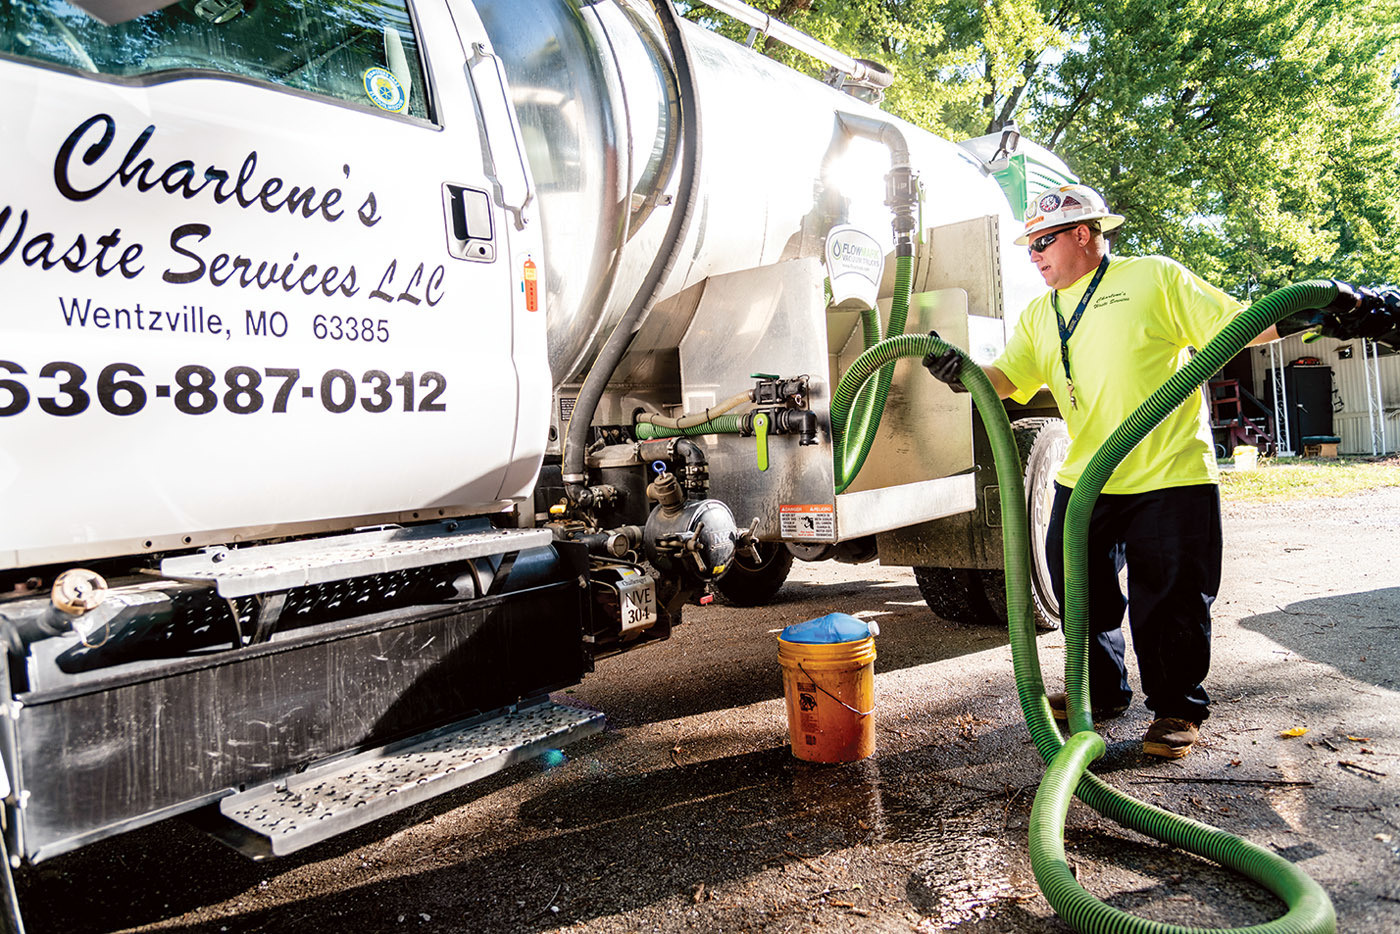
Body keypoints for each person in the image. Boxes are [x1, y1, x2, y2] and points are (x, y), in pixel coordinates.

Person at [928, 183, 1291, 760]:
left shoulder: (1153, 278)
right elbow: (1009, 379)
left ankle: (1175, 709)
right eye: (1029, 246)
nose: (1034, 255)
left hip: (1169, 473)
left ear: (1083, 234)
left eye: (1043, 242)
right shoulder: (1040, 314)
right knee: (1078, 593)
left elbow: (1241, 325)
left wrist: (1312, 314)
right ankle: (1098, 693)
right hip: (1087, 478)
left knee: (1170, 600)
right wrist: (961, 371)